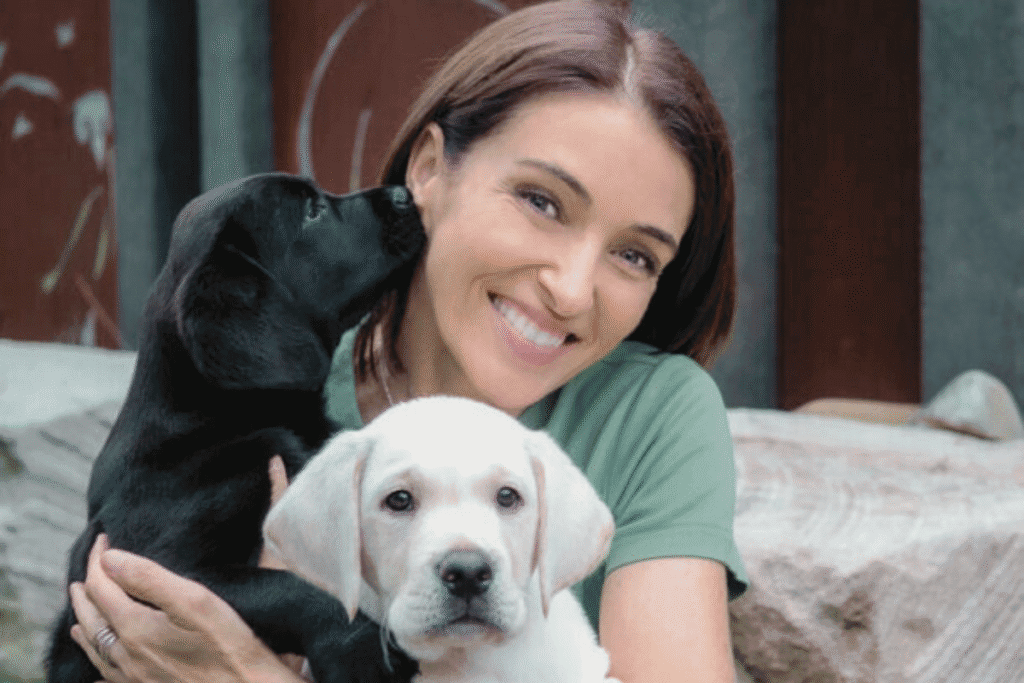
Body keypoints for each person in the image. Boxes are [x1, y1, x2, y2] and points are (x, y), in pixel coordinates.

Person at [67, 1, 748, 681]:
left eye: (635, 256)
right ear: (427, 169)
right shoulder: (280, 398)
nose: (571, 290)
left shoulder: (651, 412)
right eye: (541, 201)